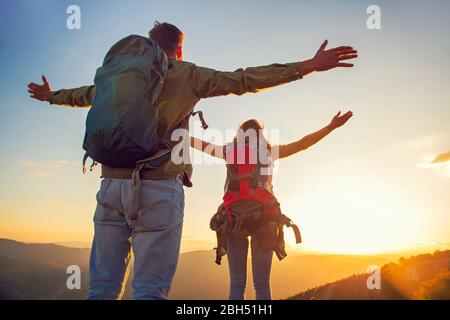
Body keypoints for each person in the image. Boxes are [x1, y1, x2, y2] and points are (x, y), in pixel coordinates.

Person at [27, 21, 358, 300]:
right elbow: (243, 80)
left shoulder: (120, 79)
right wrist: (306, 67)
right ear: (179, 50)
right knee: (148, 291)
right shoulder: (188, 74)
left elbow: (83, 95)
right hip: (159, 189)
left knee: (101, 288)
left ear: (147, 45)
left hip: (111, 185)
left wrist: (50, 96)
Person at [191, 111, 353, 300]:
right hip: (265, 219)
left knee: (236, 283)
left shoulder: (229, 151)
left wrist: (177, 132)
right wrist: (330, 127)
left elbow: (200, 145)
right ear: (260, 135)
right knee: (261, 284)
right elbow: (302, 144)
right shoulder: (269, 152)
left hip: (233, 218)